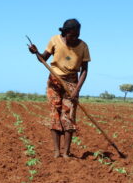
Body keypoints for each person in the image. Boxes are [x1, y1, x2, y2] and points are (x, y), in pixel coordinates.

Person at [28, 19, 91, 158]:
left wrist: (77, 90)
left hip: (72, 83)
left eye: (77, 35)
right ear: (65, 33)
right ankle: (57, 151)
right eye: (72, 35)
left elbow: (85, 70)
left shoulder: (83, 46)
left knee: (68, 117)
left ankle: (66, 152)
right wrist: (36, 52)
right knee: (55, 114)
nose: (75, 38)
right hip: (54, 82)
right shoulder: (55, 40)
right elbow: (43, 58)